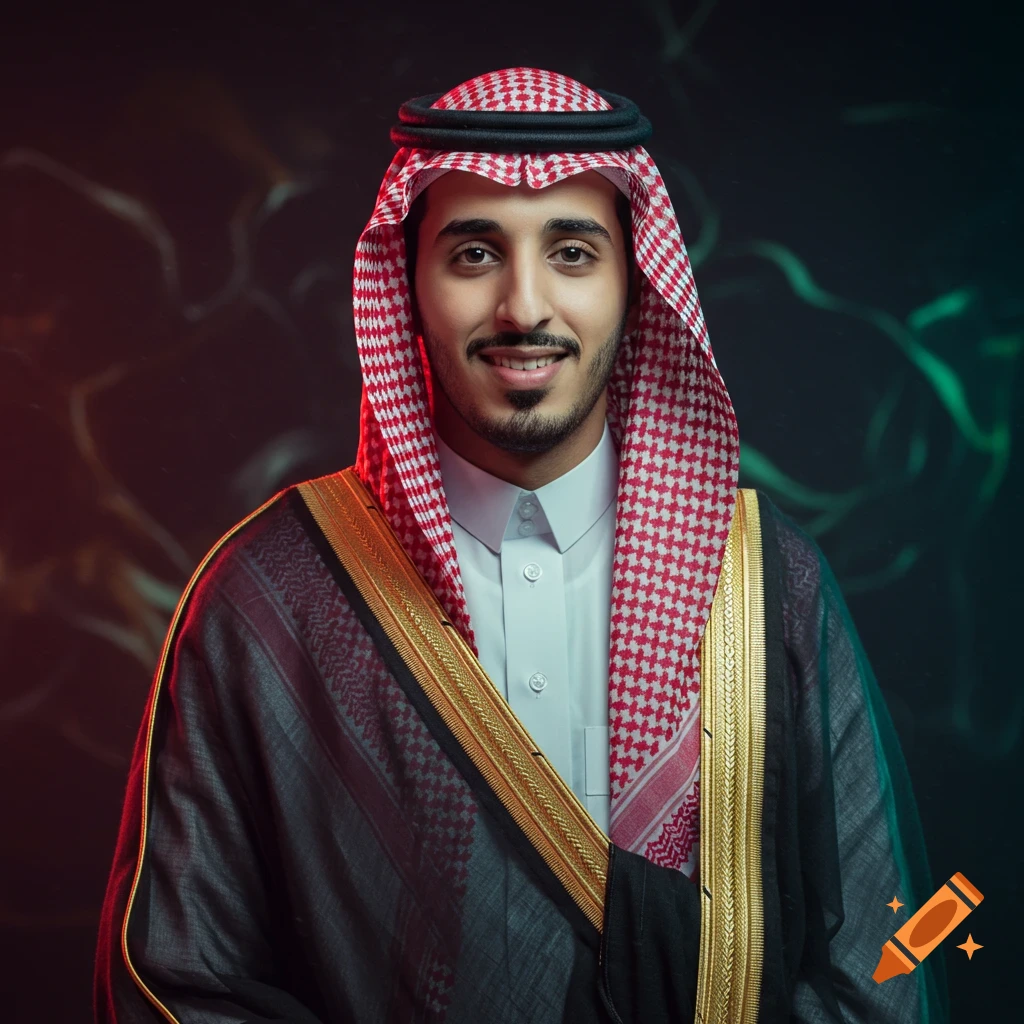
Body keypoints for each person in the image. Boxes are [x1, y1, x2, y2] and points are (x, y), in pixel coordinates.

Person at [94, 68, 948, 1023]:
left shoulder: (765, 583)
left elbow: (882, 960)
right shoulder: (271, 594)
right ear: (407, 285)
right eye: (473, 255)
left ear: (636, 282)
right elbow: (174, 981)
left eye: (574, 252)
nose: (525, 308)